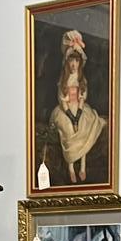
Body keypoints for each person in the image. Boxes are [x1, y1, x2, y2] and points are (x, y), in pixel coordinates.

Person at [49, 30, 105, 184]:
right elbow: (62, 100)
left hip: (79, 107)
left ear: (80, 63)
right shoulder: (63, 80)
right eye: (71, 61)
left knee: (84, 126)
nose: (74, 64)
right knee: (68, 129)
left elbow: (82, 97)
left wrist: (78, 114)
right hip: (65, 110)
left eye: (77, 61)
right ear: (67, 62)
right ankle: (71, 168)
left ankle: (83, 166)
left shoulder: (82, 80)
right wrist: (70, 116)